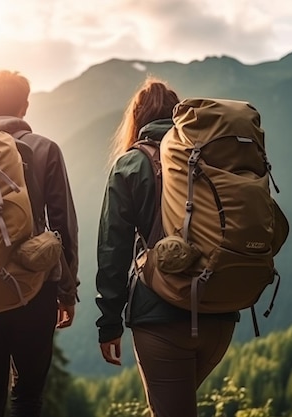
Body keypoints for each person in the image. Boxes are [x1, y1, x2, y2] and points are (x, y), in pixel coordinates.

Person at [95, 76, 239, 417]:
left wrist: (109, 324)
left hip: (161, 318)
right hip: (219, 312)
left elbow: (112, 250)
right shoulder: (207, 157)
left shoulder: (131, 164)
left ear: (137, 119)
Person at [0, 69, 79, 417]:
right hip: (36, 284)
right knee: (28, 396)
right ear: (25, 106)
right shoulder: (45, 148)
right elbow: (62, 225)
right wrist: (66, 289)